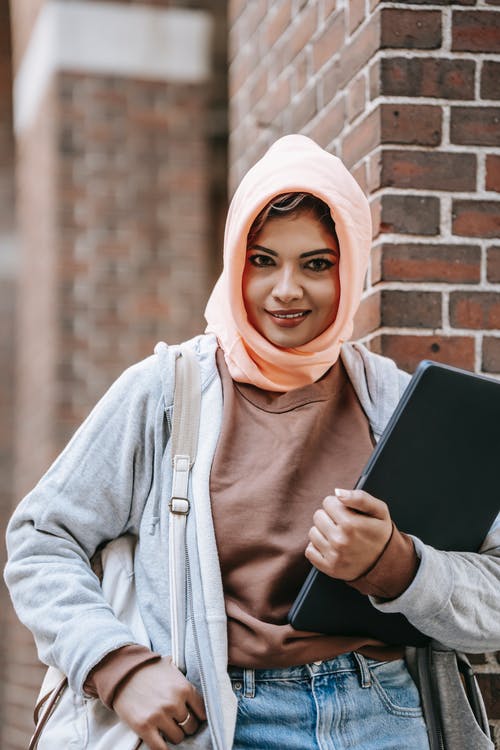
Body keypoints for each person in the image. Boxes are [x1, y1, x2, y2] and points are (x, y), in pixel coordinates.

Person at [5, 134, 499, 750]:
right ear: (234, 261)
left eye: (316, 263)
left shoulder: (397, 406)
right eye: (262, 260)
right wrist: (116, 665)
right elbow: (41, 539)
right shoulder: (165, 391)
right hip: (222, 718)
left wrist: (397, 567)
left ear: (349, 269)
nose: (285, 289)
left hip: (385, 711)